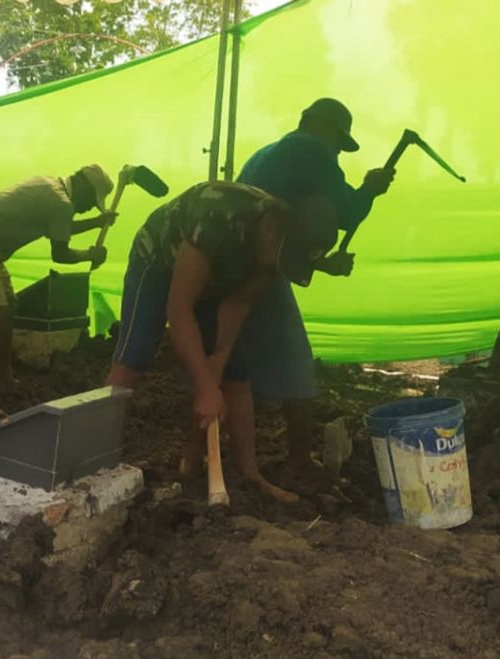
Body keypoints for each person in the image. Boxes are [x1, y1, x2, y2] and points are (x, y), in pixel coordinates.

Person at [106, 181, 337, 502]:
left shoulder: (277, 253)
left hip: (219, 274)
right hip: (158, 260)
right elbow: (179, 308)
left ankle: (242, 475)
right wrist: (203, 386)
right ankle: (96, 463)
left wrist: (218, 357)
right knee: (134, 356)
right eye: (279, 262)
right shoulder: (217, 221)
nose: (275, 270)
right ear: (270, 230)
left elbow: (238, 303)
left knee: (233, 374)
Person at [236, 98, 393, 482]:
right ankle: (300, 463)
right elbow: (344, 213)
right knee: (295, 362)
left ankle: (222, 458)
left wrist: (319, 264)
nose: (338, 151)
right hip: (260, 273)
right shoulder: (311, 151)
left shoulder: (264, 155)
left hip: (235, 263)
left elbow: (281, 227)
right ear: (320, 127)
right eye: (339, 142)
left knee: (233, 363)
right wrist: (370, 190)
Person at [0, 165, 116, 416]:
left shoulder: (51, 187)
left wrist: (96, 223)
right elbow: (60, 254)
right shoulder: (62, 203)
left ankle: (3, 376)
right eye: (92, 202)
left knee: (10, 306)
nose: (90, 207)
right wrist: (90, 254)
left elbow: (58, 226)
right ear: (83, 187)